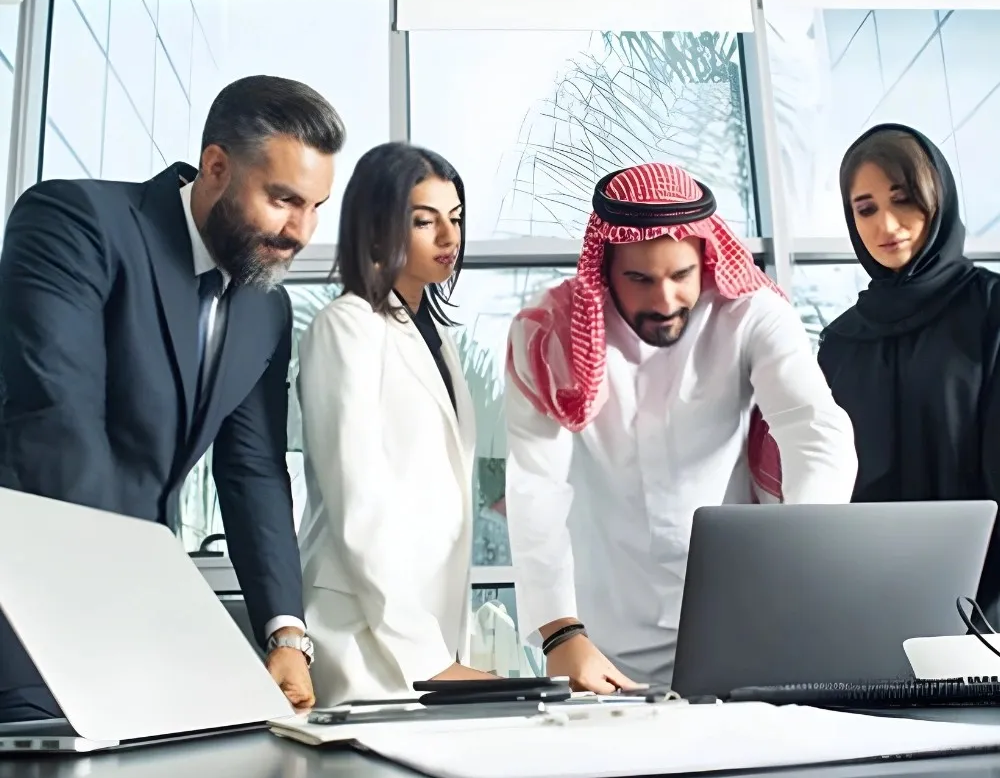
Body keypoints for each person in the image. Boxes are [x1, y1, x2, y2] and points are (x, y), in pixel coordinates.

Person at [0, 74, 345, 720]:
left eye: (316, 207)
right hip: (26, 619)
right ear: (216, 167)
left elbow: (253, 470)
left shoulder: (265, 310)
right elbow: (59, 421)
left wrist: (286, 635)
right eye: (283, 200)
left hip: (137, 634)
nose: (301, 230)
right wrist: (145, 611)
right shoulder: (75, 222)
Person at [504, 161, 858, 692]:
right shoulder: (549, 333)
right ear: (606, 266)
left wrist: (800, 560)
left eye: (681, 276)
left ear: (705, 259)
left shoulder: (750, 314)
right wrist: (559, 632)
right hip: (601, 643)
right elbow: (537, 486)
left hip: (744, 627)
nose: (664, 300)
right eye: (640, 279)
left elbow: (815, 431)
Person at [296, 142, 496, 706]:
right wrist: (428, 660)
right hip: (362, 632)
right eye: (424, 221)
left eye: (456, 218)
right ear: (378, 228)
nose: (449, 236)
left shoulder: (438, 339)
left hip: (425, 629)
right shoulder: (347, 326)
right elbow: (358, 502)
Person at [818, 123, 1000, 627]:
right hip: (868, 602)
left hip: (985, 603)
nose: (887, 224)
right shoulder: (841, 342)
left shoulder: (990, 311)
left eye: (903, 200)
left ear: (936, 197)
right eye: (866, 208)